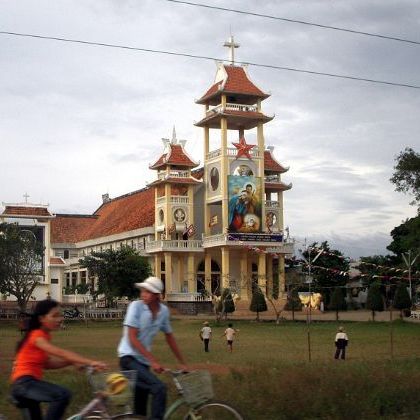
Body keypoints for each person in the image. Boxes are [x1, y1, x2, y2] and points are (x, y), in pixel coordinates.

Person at [10, 299, 107, 420]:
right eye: (55, 316)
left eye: (60, 315)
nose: (60, 319)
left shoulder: (43, 335)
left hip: (25, 386)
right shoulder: (36, 336)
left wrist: (71, 361)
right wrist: (91, 362)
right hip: (24, 385)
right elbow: (60, 353)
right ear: (41, 319)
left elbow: (47, 364)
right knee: (62, 395)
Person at [118, 276, 188, 420]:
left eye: (147, 291)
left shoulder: (163, 311)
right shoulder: (135, 307)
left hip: (143, 363)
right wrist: (153, 361)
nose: (143, 294)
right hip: (128, 359)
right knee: (159, 388)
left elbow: (169, 337)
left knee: (140, 412)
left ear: (157, 295)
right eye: (142, 290)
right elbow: (132, 338)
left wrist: (182, 362)